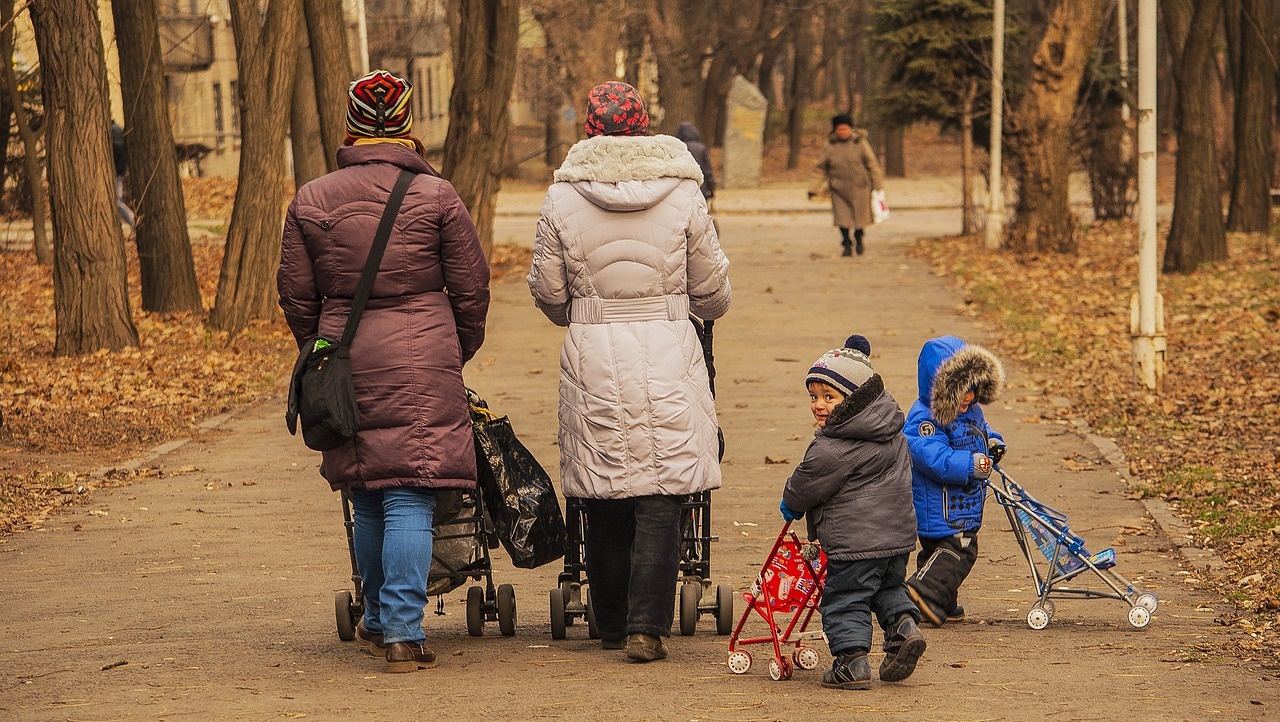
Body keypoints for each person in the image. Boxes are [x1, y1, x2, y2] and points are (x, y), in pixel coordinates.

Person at [277, 70, 490, 673]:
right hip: (424, 355)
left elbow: (296, 295)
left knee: (368, 493)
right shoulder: (436, 196)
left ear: (350, 128)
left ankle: (377, 619)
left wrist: (324, 354)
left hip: (345, 354)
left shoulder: (312, 199)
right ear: (405, 127)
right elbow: (471, 289)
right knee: (410, 495)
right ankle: (401, 629)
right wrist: (455, 349)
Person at [528, 81, 731, 662]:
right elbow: (712, 291)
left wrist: (586, 313)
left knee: (605, 489)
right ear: (644, 127)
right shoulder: (684, 193)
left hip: (593, 351)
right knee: (663, 490)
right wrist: (682, 308)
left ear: (589, 130)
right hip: (668, 347)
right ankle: (648, 627)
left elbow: (547, 291)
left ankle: (612, 623)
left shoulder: (561, 198)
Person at [780, 334, 926, 690]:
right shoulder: (892, 431)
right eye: (814, 396)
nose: (819, 405)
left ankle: (851, 662)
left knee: (846, 598)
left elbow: (806, 484)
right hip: (897, 538)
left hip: (854, 543)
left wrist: (791, 503)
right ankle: (904, 629)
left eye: (829, 397)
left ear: (855, 399)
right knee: (888, 586)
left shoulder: (833, 447)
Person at [903, 335, 1006, 627]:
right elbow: (931, 455)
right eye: (960, 391)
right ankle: (922, 591)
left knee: (938, 553)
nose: (968, 397)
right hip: (940, 507)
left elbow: (981, 431)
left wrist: (993, 443)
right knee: (961, 549)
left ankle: (941, 600)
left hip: (960, 504)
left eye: (972, 389)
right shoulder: (924, 419)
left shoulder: (971, 411)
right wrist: (970, 464)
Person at [808, 113, 884, 257]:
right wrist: (814, 188)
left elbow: (872, 164)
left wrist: (877, 184)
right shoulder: (830, 145)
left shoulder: (860, 143)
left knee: (860, 218)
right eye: (839, 130)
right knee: (842, 219)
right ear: (835, 130)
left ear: (851, 129)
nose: (843, 132)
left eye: (845, 129)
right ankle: (846, 243)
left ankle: (859, 237)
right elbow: (821, 168)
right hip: (838, 189)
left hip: (860, 187)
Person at [675, 121, 716, 204]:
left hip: (682, 189)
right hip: (700, 188)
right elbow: (707, 171)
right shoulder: (701, 148)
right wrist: (711, 188)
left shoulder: (678, 147)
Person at [110, 120, 136, 232]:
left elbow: (119, 154)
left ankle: (134, 222)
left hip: (117, 172)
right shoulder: (116, 129)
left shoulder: (114, 131)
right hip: (118, 172)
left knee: (117, 201)